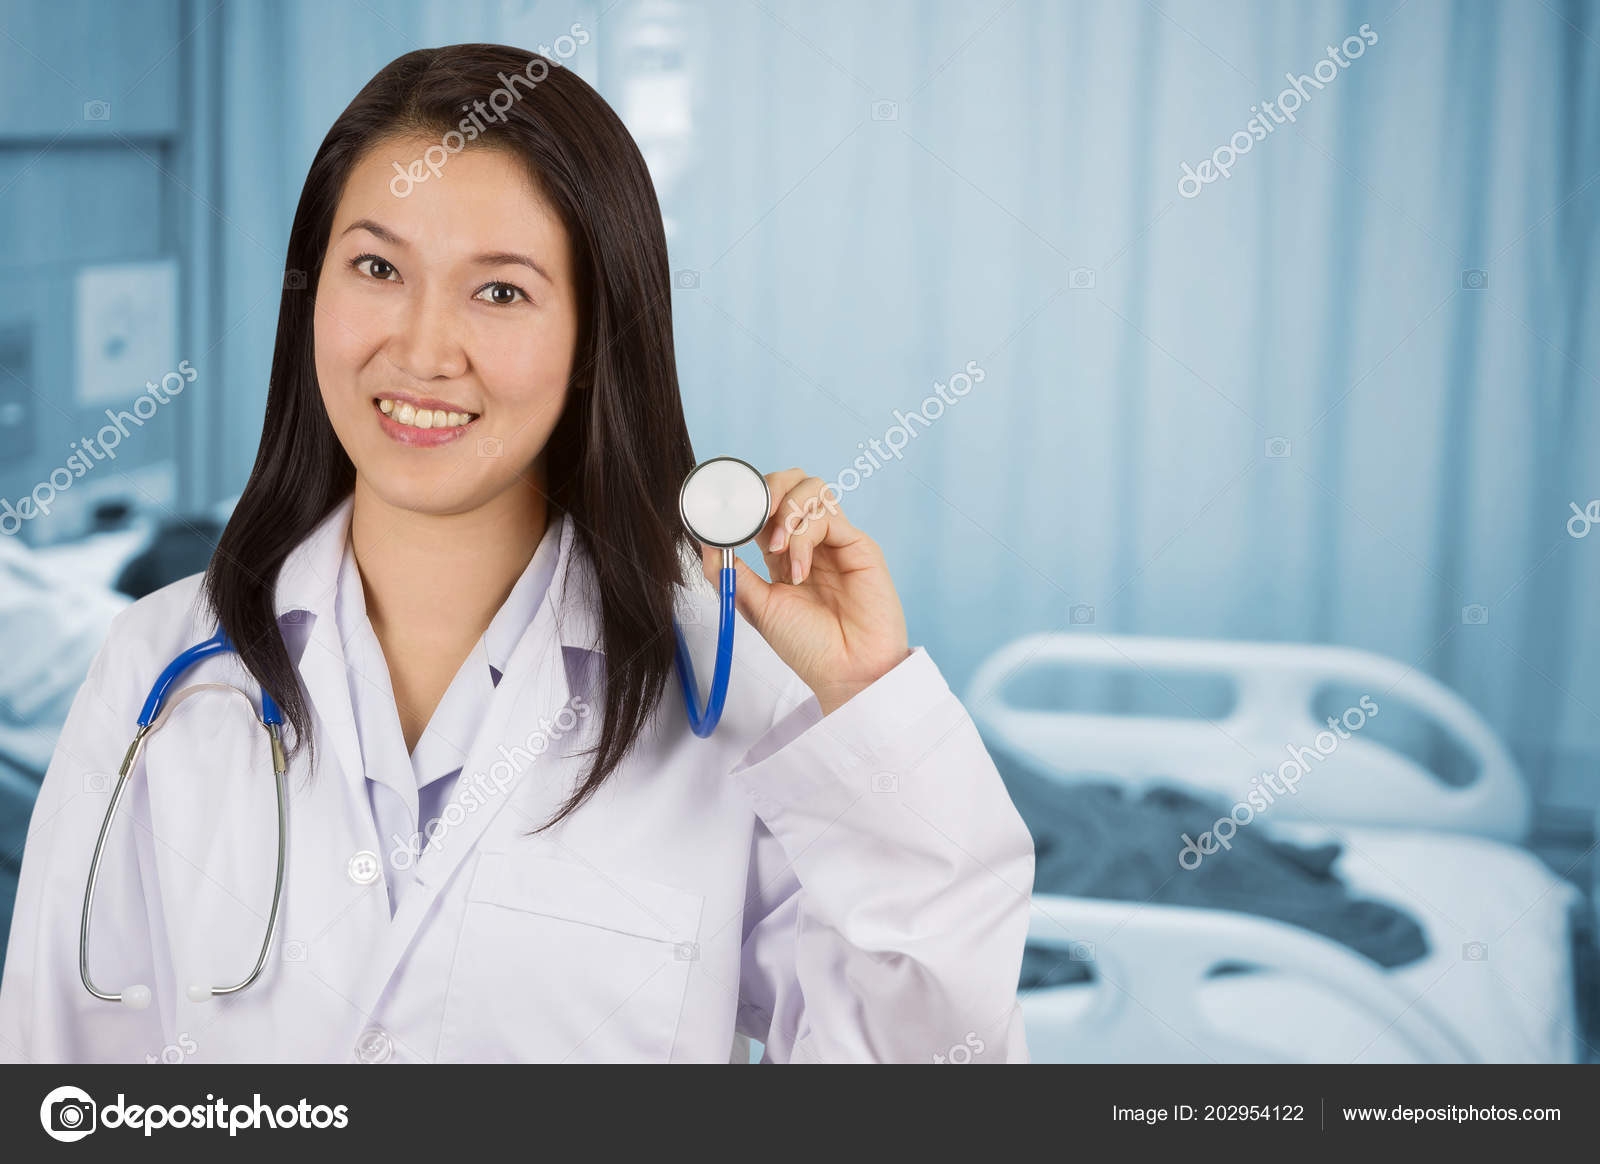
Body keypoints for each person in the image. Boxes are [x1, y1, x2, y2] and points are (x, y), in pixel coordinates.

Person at [0, 43, 1034, 1064]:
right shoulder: (158, 670)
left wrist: (869, 707)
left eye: (499, 292)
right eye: (376, 267)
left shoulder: (726, 692)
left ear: (596, 339)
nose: (419, 349)